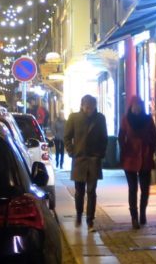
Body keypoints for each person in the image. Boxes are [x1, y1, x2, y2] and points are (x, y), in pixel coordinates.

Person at [63, 94, 107, 230]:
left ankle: (90, 220)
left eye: (92, 107)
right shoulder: (74, 118)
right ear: (82, 106)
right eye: (87, 107)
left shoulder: (100, 118)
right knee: (79, 191)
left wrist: (100, 154)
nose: (90, 110)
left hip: (94, 159)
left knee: (92, 191)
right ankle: (78, 213)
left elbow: (104, 138)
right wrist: (72, 152)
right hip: (79, 159)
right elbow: (67, 137)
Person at [118, 95, 156, 229]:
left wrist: (151, 150)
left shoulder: (148, 119)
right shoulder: (126, 119)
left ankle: (143, 213)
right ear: (131, 107)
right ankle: (134, 216)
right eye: (135, 106)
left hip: (145, 157)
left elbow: (154, 136)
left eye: (139, 106)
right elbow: (121, 136)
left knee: (145, 189)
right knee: (133, 188)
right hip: (130, 158)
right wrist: (124, 150)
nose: (137, 108)